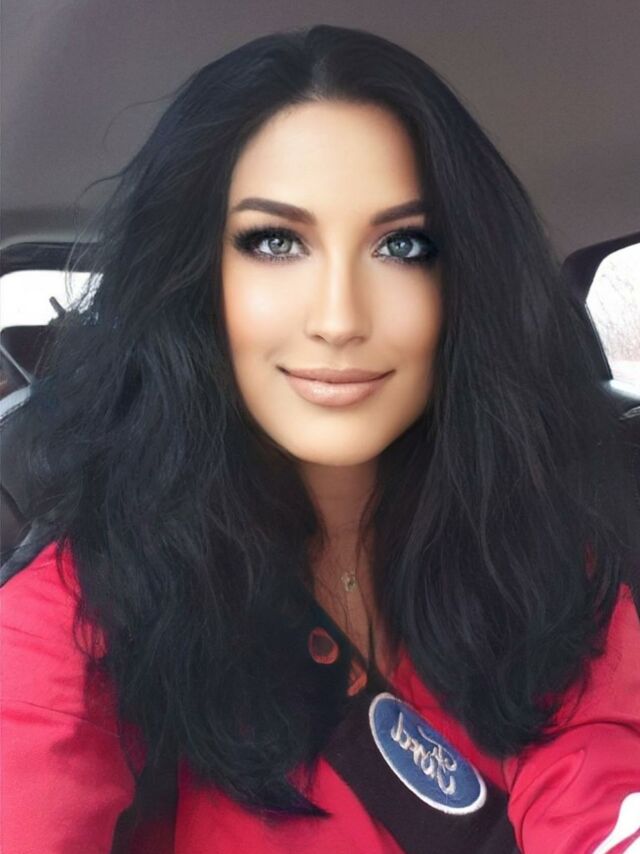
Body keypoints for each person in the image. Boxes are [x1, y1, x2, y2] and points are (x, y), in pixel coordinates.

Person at [1, 23, 639, 854]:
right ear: (197, 280)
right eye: (275, 242)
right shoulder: (78, 608)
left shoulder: (545, 558)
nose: (339, 318)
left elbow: (604, 795)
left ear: (463, 287)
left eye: (402, 245)